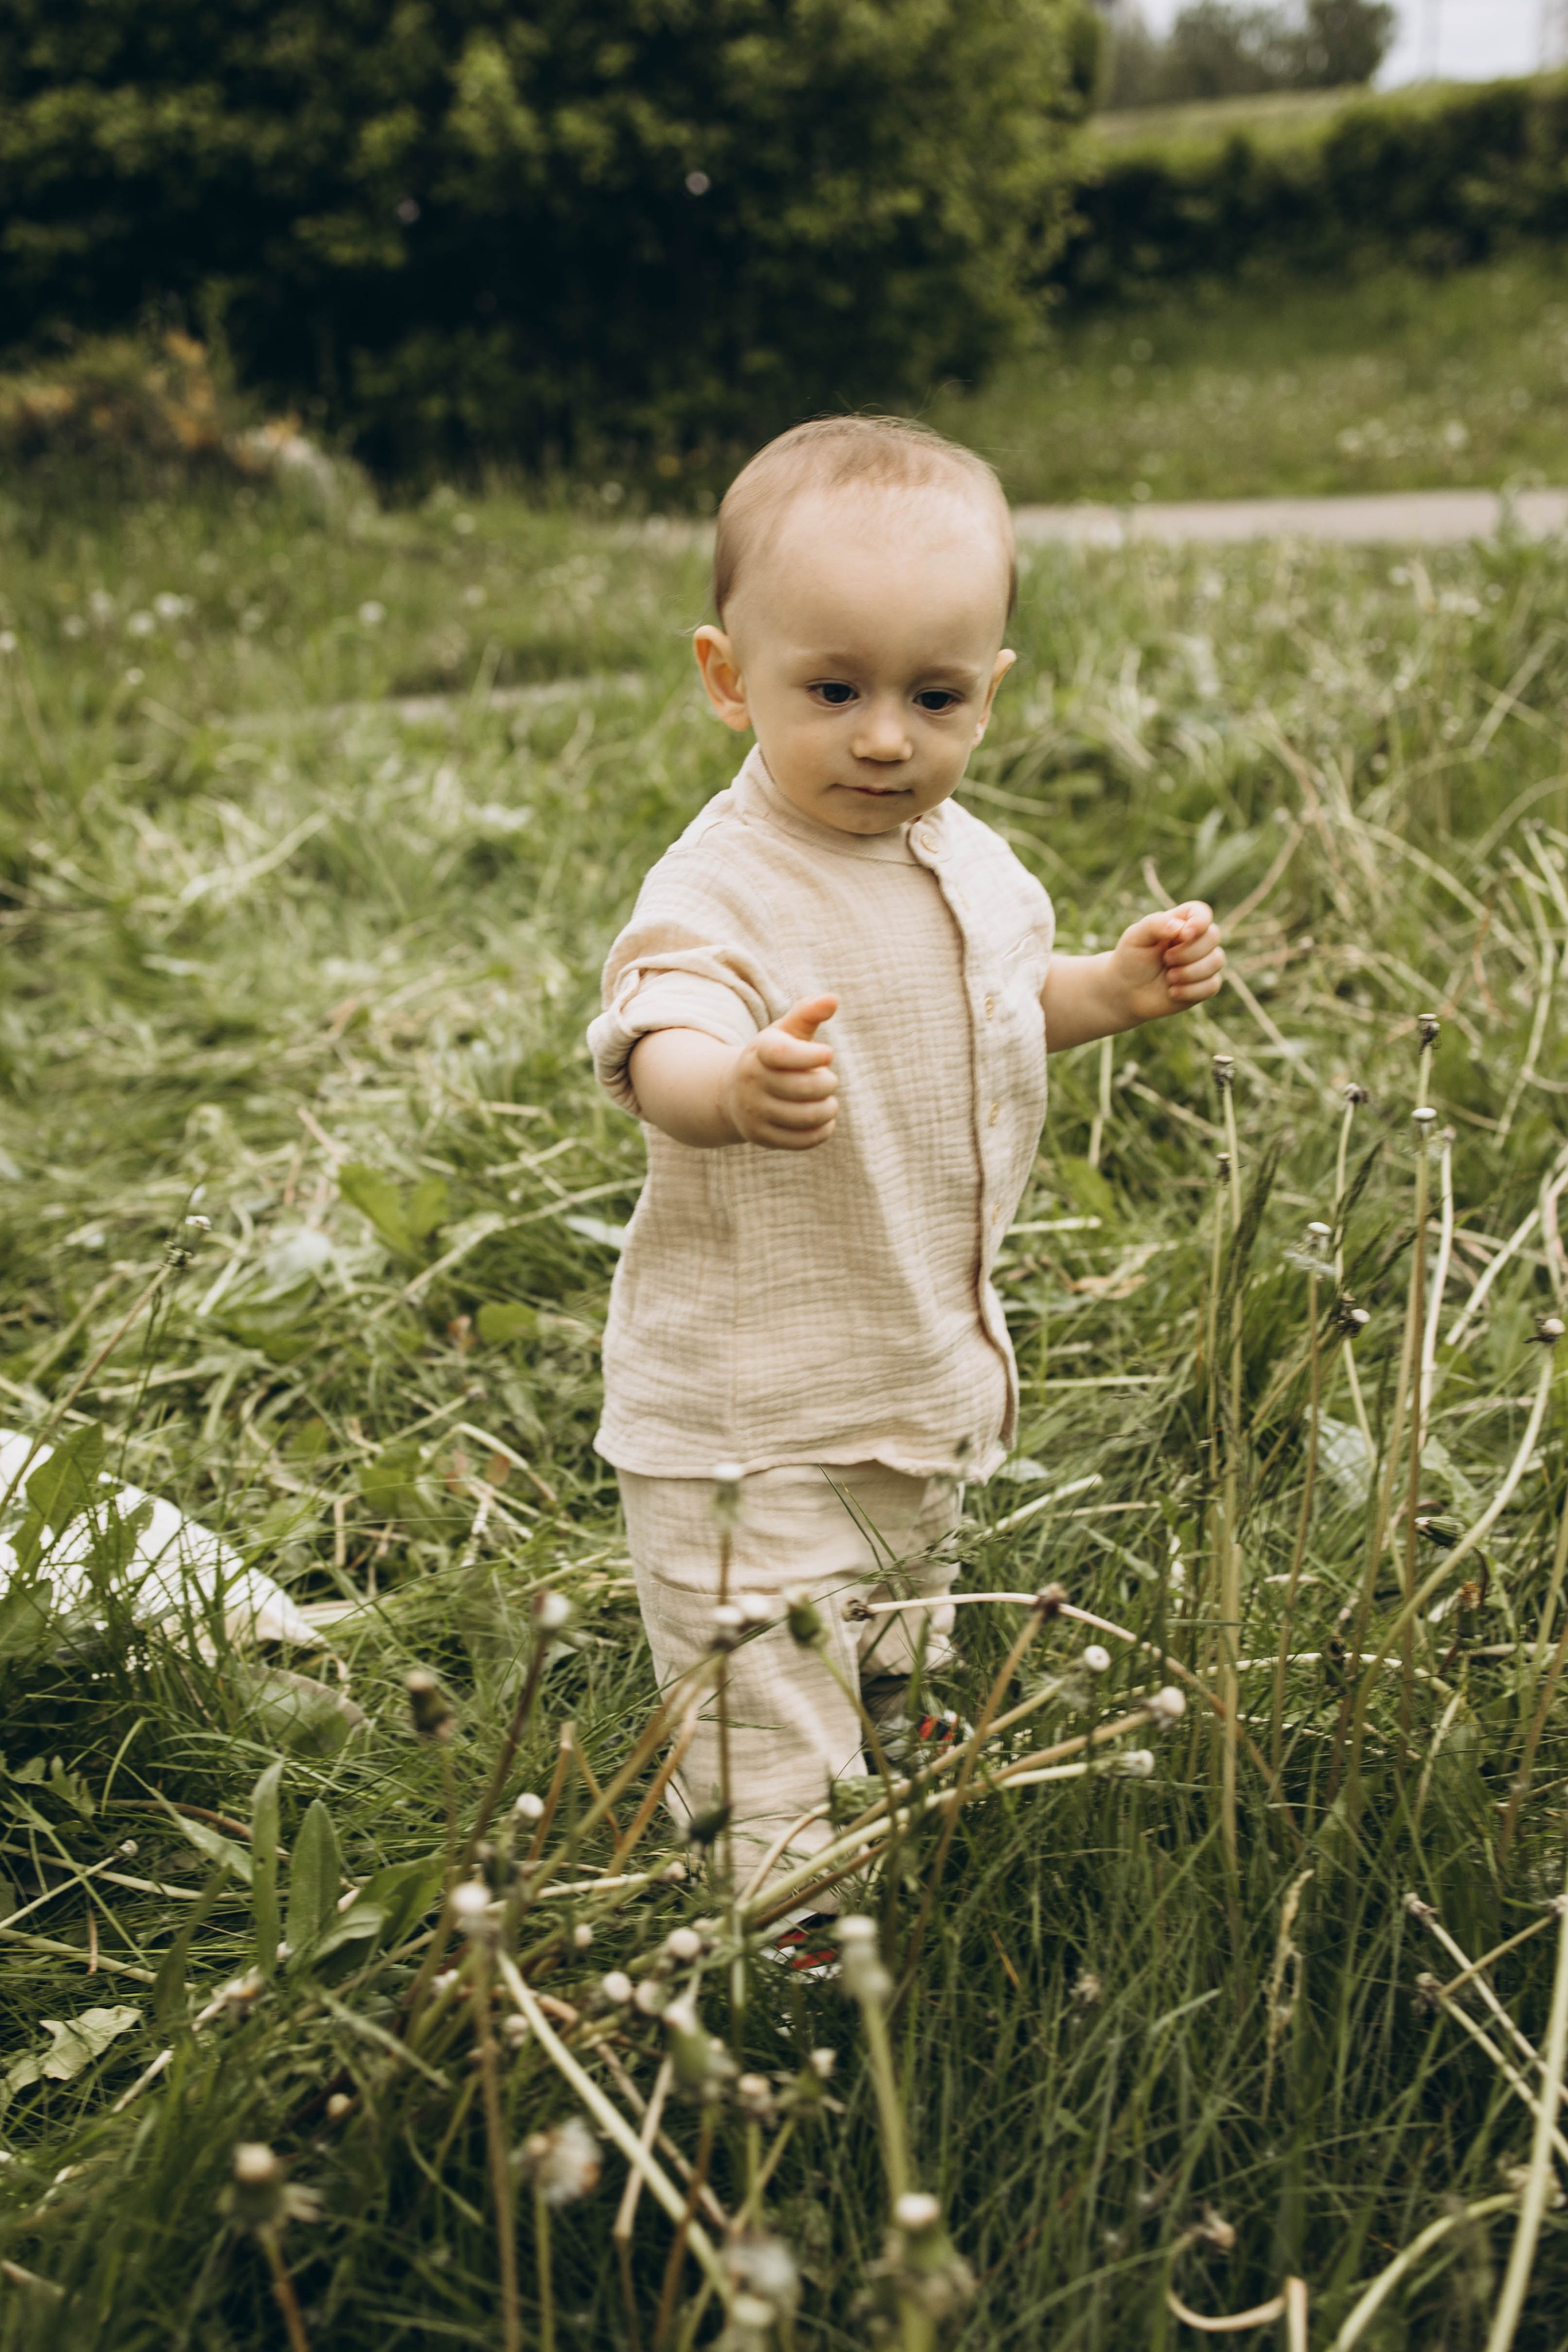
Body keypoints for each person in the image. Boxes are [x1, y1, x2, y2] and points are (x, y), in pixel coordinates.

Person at [587, 416, 1224, 1907]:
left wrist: (1107, 993)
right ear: (727, 679)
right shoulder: (722, 882)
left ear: (988, 693)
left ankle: (902, 1757)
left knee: (896, 1617)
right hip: (744, 1421)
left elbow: (997, 1010)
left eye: (932, 696)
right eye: (834, 690)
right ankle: (791, 1936)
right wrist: (728, 1085)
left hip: (913, 1372)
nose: (885, 737)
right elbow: (654, 1030)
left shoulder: (971, 862)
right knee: (764, 1706)